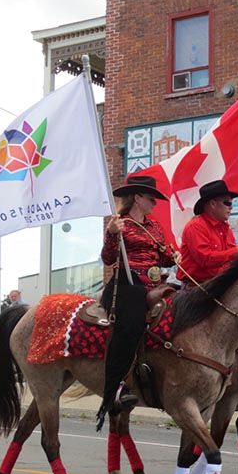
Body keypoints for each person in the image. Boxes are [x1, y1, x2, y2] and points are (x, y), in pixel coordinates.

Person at [96, 175, 179, 431]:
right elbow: (107, 259)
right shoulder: (120, 224)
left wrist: (173, 255)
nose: (154, 202)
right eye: (150, 197)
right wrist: (111, 235)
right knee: (130, 325)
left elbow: (163, 256)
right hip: (126, 285)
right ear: (137, 197)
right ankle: (116, 389)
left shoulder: (154, 226)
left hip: (153, 285)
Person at [176, 179, 238, 285]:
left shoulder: (226, 228)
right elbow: (206, 260)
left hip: (219, 282)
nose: (231, 207)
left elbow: (230, 260)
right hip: (197, 286)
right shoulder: (195, 226)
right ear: (213, 204)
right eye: (227, 203)